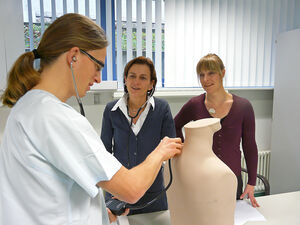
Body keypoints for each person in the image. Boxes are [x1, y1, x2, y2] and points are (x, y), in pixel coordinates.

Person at [0, 13, 182, 225]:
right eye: (97, 66)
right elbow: (131, 190)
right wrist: (160, 152)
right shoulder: (54, 116)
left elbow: (53, 192)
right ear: (74, 56)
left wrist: (101, 213)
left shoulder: (27, 107)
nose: (98, 78)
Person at [174, 53, 260, 207]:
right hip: (201, 179)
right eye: (201, 75)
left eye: (211, 73)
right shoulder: (195, 105)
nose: (206, 79)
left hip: (232, 179)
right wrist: (184, 149)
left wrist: (252, 182)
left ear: (223, 73)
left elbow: (249, 146)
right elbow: (174, 125)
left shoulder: (243, 107)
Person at [101, 56, 175, 225]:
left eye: (143, 78)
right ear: (125, 79)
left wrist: (153, 169)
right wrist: (112, 185)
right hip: (117, 194)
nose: (136, 82)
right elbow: (105, 152)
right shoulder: (111, 110)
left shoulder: (162, 109)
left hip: (153, 194)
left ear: (151, 84)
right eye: (132, 76)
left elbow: (169, 147)